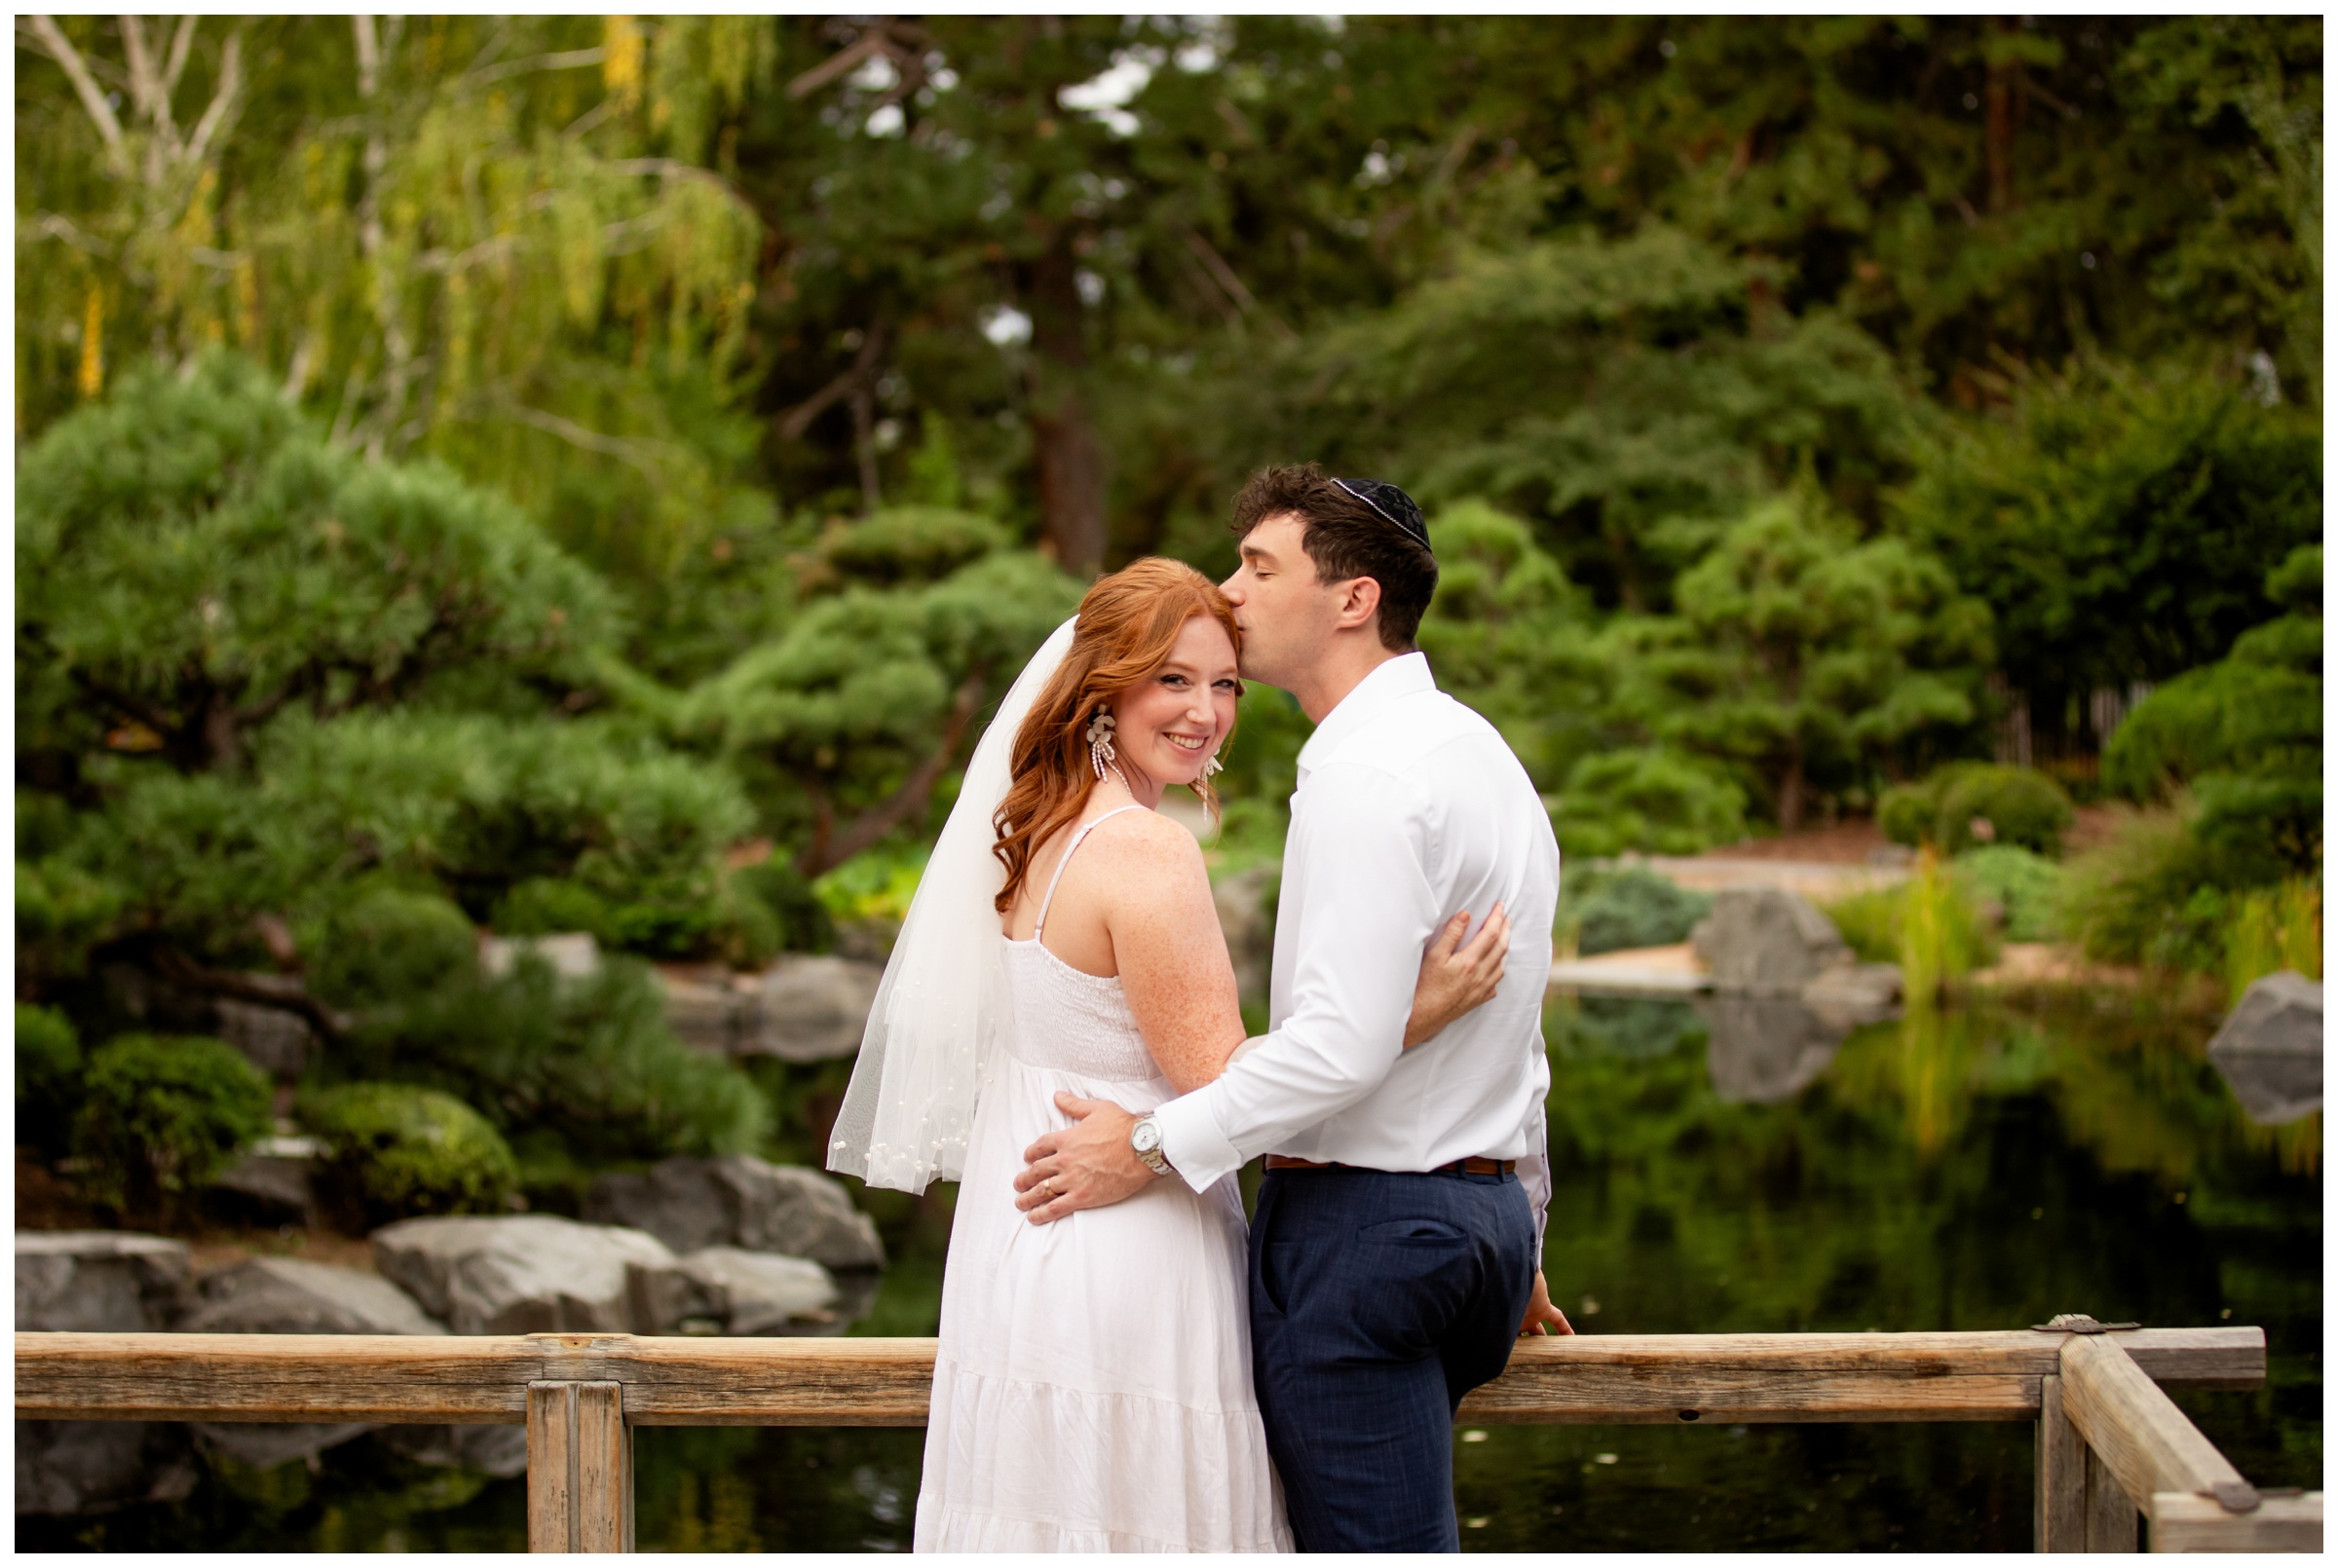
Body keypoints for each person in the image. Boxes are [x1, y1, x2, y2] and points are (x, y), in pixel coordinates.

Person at [826, 555, 1513, 1552]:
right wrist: (1408, 1013)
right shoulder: (1145, 849)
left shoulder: (1042, 832)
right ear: (1104, 684)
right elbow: (1225, 1086)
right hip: (1126, 1248)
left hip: (1023, 1250)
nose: (1206, 711)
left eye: (1225, 681)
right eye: (1173, 678)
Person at [1012, 467, 1572, 1553]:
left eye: (1260, 567)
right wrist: (1518, 1210)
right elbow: (1520, 1020)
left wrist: (1145, 1144)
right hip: (1478, 1228)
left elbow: (1337, 1048)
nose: (1232, 590)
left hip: (1369, 1235)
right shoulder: (1483, 756)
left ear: (1352, 599)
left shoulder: (1364, 773)